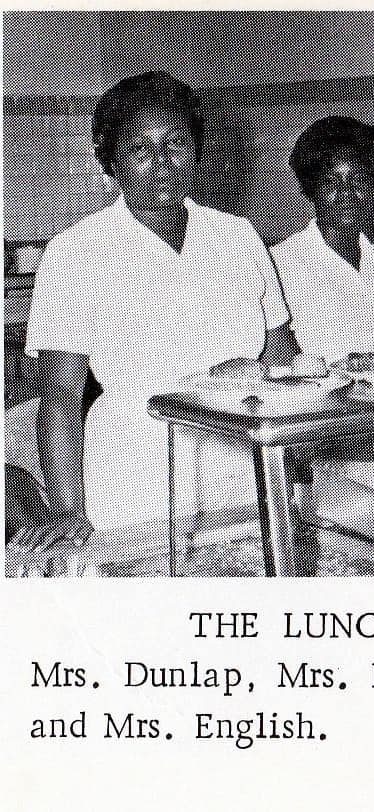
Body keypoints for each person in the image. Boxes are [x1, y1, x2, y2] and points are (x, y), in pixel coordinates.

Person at [10, 71, 295, 551]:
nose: (163, 164)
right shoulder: (77, 251)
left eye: (176, 144)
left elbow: (283, 360)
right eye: (141, 150)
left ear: (196, 151)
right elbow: (60, 396)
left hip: (243, 463)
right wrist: (67, 510)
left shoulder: (237, 235)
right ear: (110, 163)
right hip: (134, 470)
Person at [269, 115, 374, 362]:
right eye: (331, 182)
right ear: (310, 189)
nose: (347, 194)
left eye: (359, 180)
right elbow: (275, 361)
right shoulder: (279, 266)